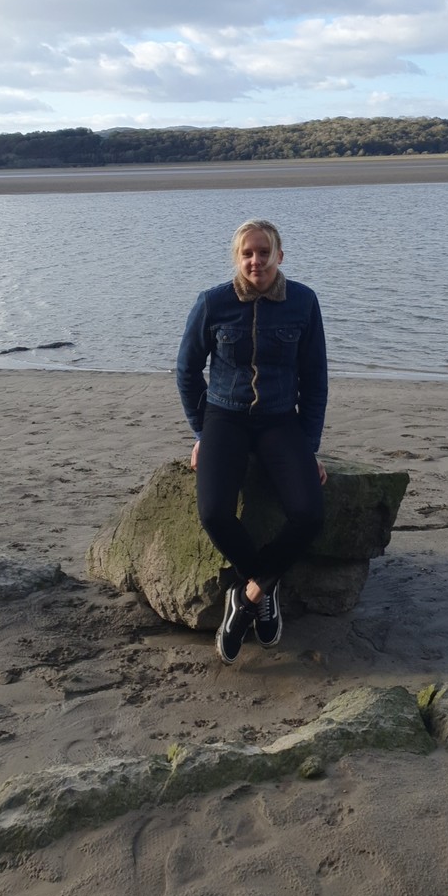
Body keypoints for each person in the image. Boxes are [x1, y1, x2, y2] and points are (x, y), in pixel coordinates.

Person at [176, 219, 328, 664]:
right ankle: (265, 589)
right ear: (237, 258)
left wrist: (309, 445)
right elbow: (187, 371)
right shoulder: (213, 303)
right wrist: (202, 431)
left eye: (264, 252)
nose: (255, 260)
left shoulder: (303, 302)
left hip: (281, 421)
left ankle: (249, 596)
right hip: (226, 417)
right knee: (214, 512)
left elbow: (315, 379)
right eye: (247, 253)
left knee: (308, 513)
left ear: (279, 255)